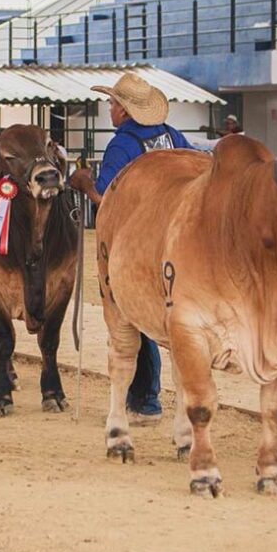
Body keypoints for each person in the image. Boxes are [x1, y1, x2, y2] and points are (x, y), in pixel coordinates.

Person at [69, 72, 194, 424]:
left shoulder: (122, 144)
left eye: (112, 104)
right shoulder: (173, 135)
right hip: (181, 236)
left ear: (124, 110)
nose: (109, 110)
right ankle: (157, 402)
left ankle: (144, 400)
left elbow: (105, 197)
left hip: (140, 239)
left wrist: (82, 183)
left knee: (133, 316)